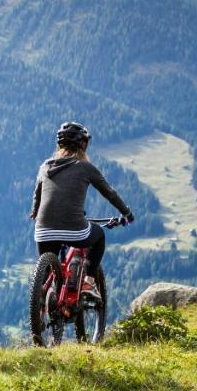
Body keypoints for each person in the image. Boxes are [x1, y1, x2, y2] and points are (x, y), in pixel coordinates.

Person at [30, 122, 133, 289]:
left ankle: (40, 302)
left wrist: (35, 212)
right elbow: (109, 193)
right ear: (83, 144)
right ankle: (89, 281)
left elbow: (37, 195)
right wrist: (126, 213)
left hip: (43, 230)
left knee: (47, 273)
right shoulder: (85, 167)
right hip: (75, 230)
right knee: (99, 234)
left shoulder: (45, 166)